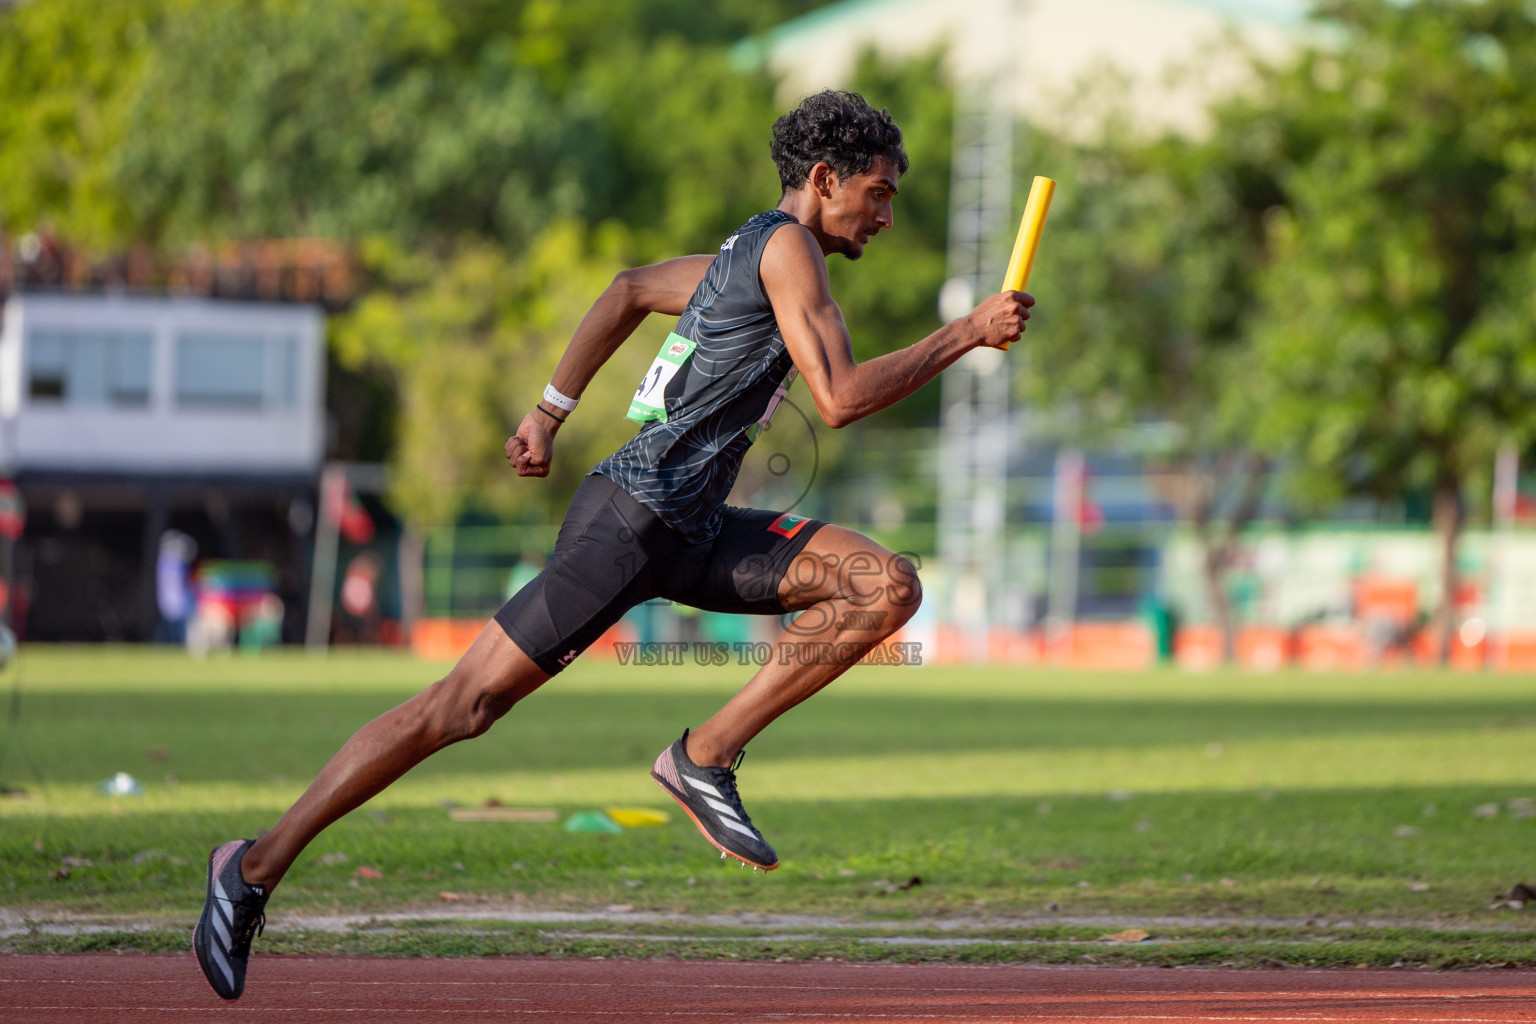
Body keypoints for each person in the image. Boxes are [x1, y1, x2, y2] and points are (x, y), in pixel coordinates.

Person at [193, 89, 1033, 1001]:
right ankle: (250, 868)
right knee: (459, 707)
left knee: (882, 587)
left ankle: (703, 757)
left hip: (694, 529)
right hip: (629, 521)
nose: (887, 212)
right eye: (878, 191)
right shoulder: (786, 250)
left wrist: (548, 412)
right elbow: (836, 397)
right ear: (824, 180)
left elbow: (629, 289)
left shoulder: (745, 254)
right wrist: (966, 333)